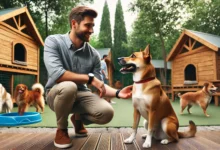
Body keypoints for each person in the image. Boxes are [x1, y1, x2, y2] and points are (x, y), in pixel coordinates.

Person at [44, 6, 132, 149]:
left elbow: (100, 86)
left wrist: (118, 93)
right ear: (74, 24)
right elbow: (58, 75)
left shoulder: (94, 55)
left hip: (81, 95)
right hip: (57, 94)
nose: (91, 30)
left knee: (107, 113)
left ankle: (77, 118)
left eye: (93, 26)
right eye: (87, 25)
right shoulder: (53, 42)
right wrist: (90, 79)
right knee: (69, 86)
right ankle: (61, 130)